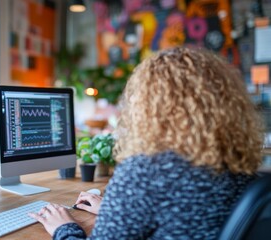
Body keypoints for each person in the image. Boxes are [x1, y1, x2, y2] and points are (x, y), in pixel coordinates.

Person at [29, 47, 265, 239]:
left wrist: (64, 228)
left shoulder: (145, 171)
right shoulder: (238, 165)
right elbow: (182, 213)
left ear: (149, 107)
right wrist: (117, 211)